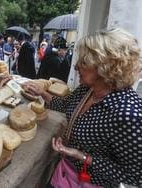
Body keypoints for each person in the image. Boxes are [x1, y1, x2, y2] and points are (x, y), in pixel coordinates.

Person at [23, 28, 142, 187]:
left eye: (84, 62)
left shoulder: (127, 113)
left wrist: (82, 156)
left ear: (106, 67)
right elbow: (64, 105)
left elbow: (135, 176)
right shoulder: (87, 89)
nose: (76, 66)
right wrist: (42, 93)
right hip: (66, 173)